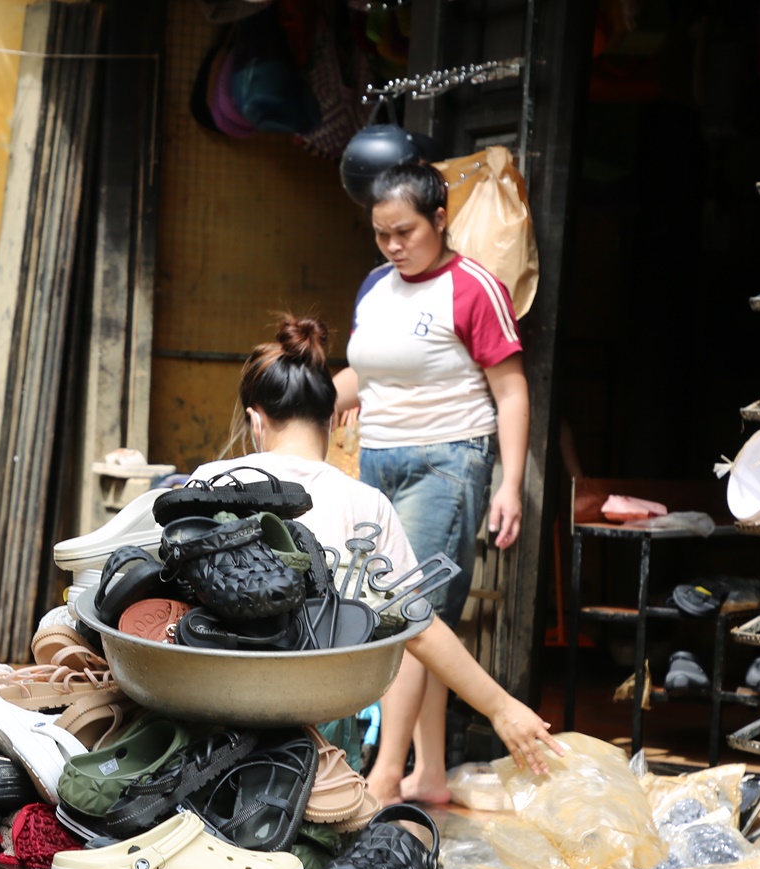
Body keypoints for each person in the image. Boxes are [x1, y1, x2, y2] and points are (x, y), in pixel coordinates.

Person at [195, 314, 559, 784]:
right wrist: (501, 707)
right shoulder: (366, 503)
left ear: (255, 420)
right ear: (333, 419)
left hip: (216, 720)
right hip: (321, 739)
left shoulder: (209, 483)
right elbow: (419, 628)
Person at [332, 163, 531, 804]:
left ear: (439, 220)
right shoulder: (374, 286)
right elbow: (366, 376)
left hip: (446, 463)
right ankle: (432, 773)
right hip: (378, 462)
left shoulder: (474, 288)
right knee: (427, 620)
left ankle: (385, 776)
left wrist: (509, 483)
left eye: (405, 231)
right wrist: (303, 403)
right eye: (380, 233)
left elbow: (511, 389)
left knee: (406, 617)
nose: (392, 245)